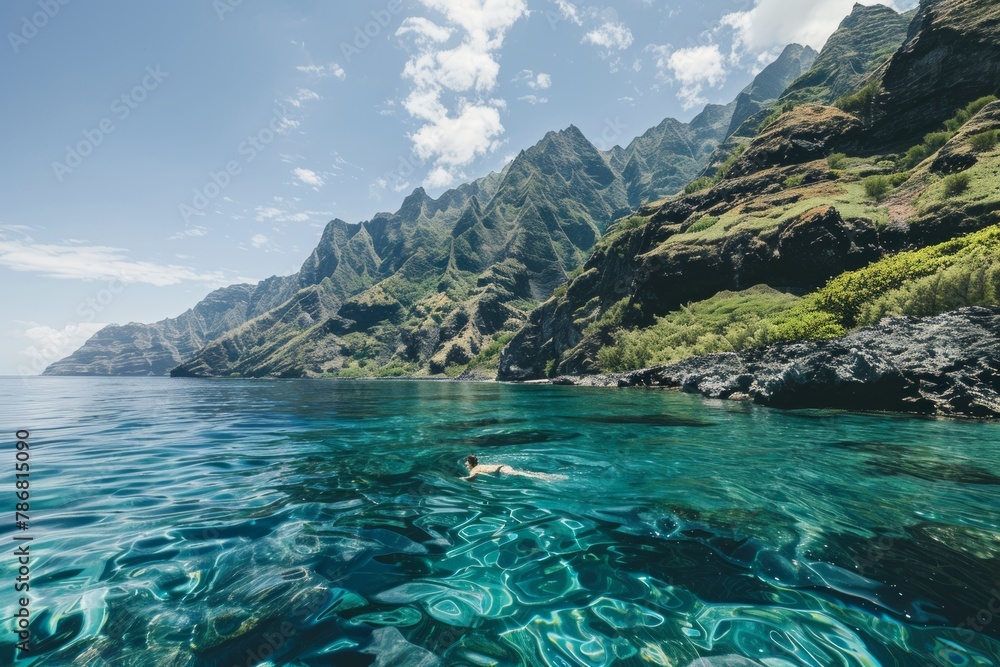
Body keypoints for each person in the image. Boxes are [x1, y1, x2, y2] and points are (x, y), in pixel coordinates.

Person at [462, 454, 567, 482]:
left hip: (501, 470)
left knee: (523, 474)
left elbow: (471, 478)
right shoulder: (480, 465)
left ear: (470, 463)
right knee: (524, 473)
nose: (466, 463)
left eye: (467, 462)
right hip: (504, 467)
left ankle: (546, 477)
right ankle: (546, 476)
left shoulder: (475, 469)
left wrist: (461, 479)